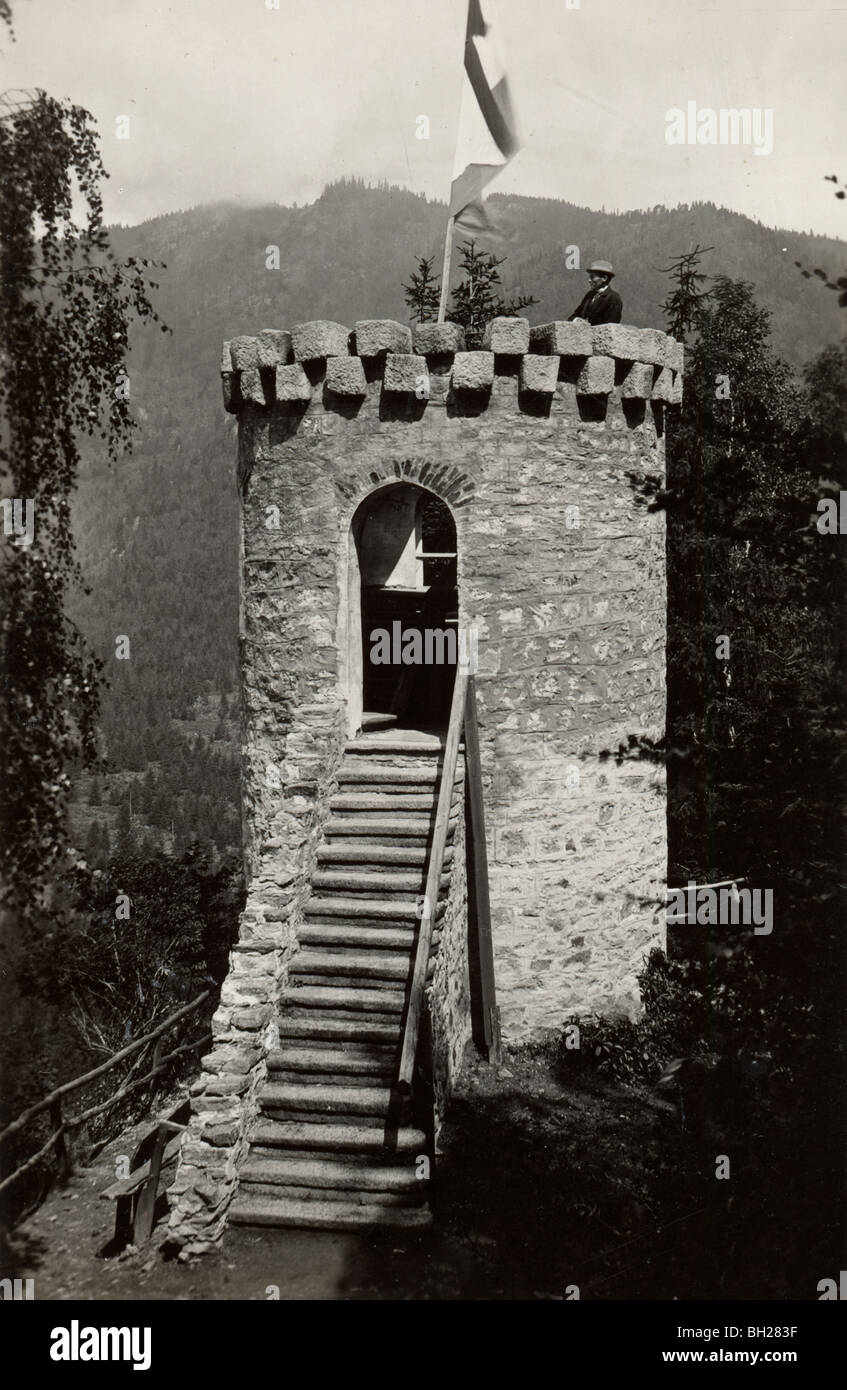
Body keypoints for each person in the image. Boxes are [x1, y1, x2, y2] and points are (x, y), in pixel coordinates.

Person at [568, 259, 622, 325]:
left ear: (604, 278)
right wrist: (576, 320)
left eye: (592, 277)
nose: (589, 280)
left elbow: (612, 327)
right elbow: (573, 316)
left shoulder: (614, 299)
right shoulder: (589, 295)